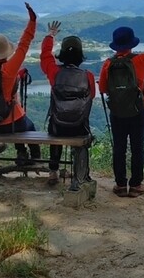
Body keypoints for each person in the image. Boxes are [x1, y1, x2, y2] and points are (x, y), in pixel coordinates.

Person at [98, 21, 144, 197]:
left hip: (117, 112)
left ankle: (120, 185)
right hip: (138, 109)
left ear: (116, 45)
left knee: (119, 147)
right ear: (131, 44)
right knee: (137, 147)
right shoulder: (140, 60)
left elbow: (103, 89)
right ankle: (135, 185)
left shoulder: (107, 64)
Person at [0, 2, 41, 166]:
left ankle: (22, 154)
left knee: (17, 117)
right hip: (10, 123)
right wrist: (32, 21)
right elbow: (24, 44)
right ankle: (33, 157)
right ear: (5, 51)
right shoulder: (8, 69)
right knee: (27, 123)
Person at [39, 21, 95, 185]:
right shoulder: (88, 75)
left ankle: (53, 171)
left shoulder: (54, 72)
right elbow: (91, 97)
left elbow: (45, 55)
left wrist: (50, 36)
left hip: (57, 127)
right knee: (83, 138)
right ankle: (81, 173)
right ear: (80, 55)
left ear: (62, 54)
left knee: (55, 125)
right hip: (79, 127)